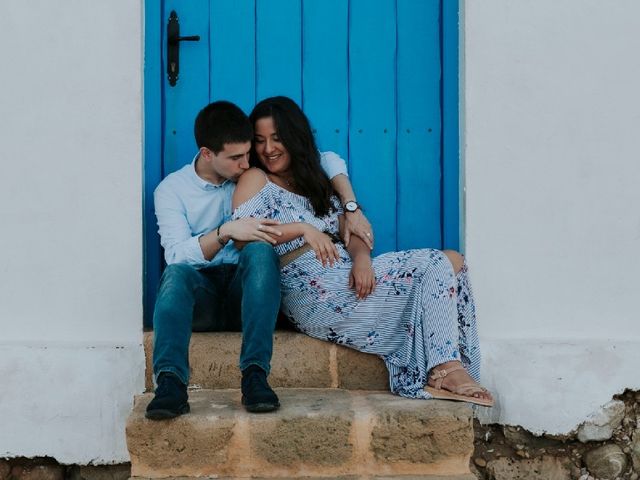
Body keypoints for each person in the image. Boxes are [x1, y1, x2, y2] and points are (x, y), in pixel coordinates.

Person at [232, 96, 494, 407]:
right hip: (308, 288)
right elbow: (241, 237)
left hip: (345, 273)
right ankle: (444, 370)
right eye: (259, 140)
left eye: (277, 138)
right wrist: (303, 229)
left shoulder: (315, 182)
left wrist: (362, 260)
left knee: (453, 262)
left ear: (294, 137)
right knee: (437, 263)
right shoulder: (255, 179)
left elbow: (351, 231)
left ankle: (446, 366)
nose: (268, 149)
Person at [146, 100, 373, 419]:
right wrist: (224, 232)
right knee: (175, 276)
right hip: (204, 294)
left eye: (247, 154)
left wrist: (350, 205)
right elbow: (175, 254)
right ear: (208, 154)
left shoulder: (253, 173)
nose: (247, 164)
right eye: (236, 158)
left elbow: (327, 159)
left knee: (259, 249)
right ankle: (169, 383)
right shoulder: (172, 190)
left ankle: (254, 375)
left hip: (251, 288)